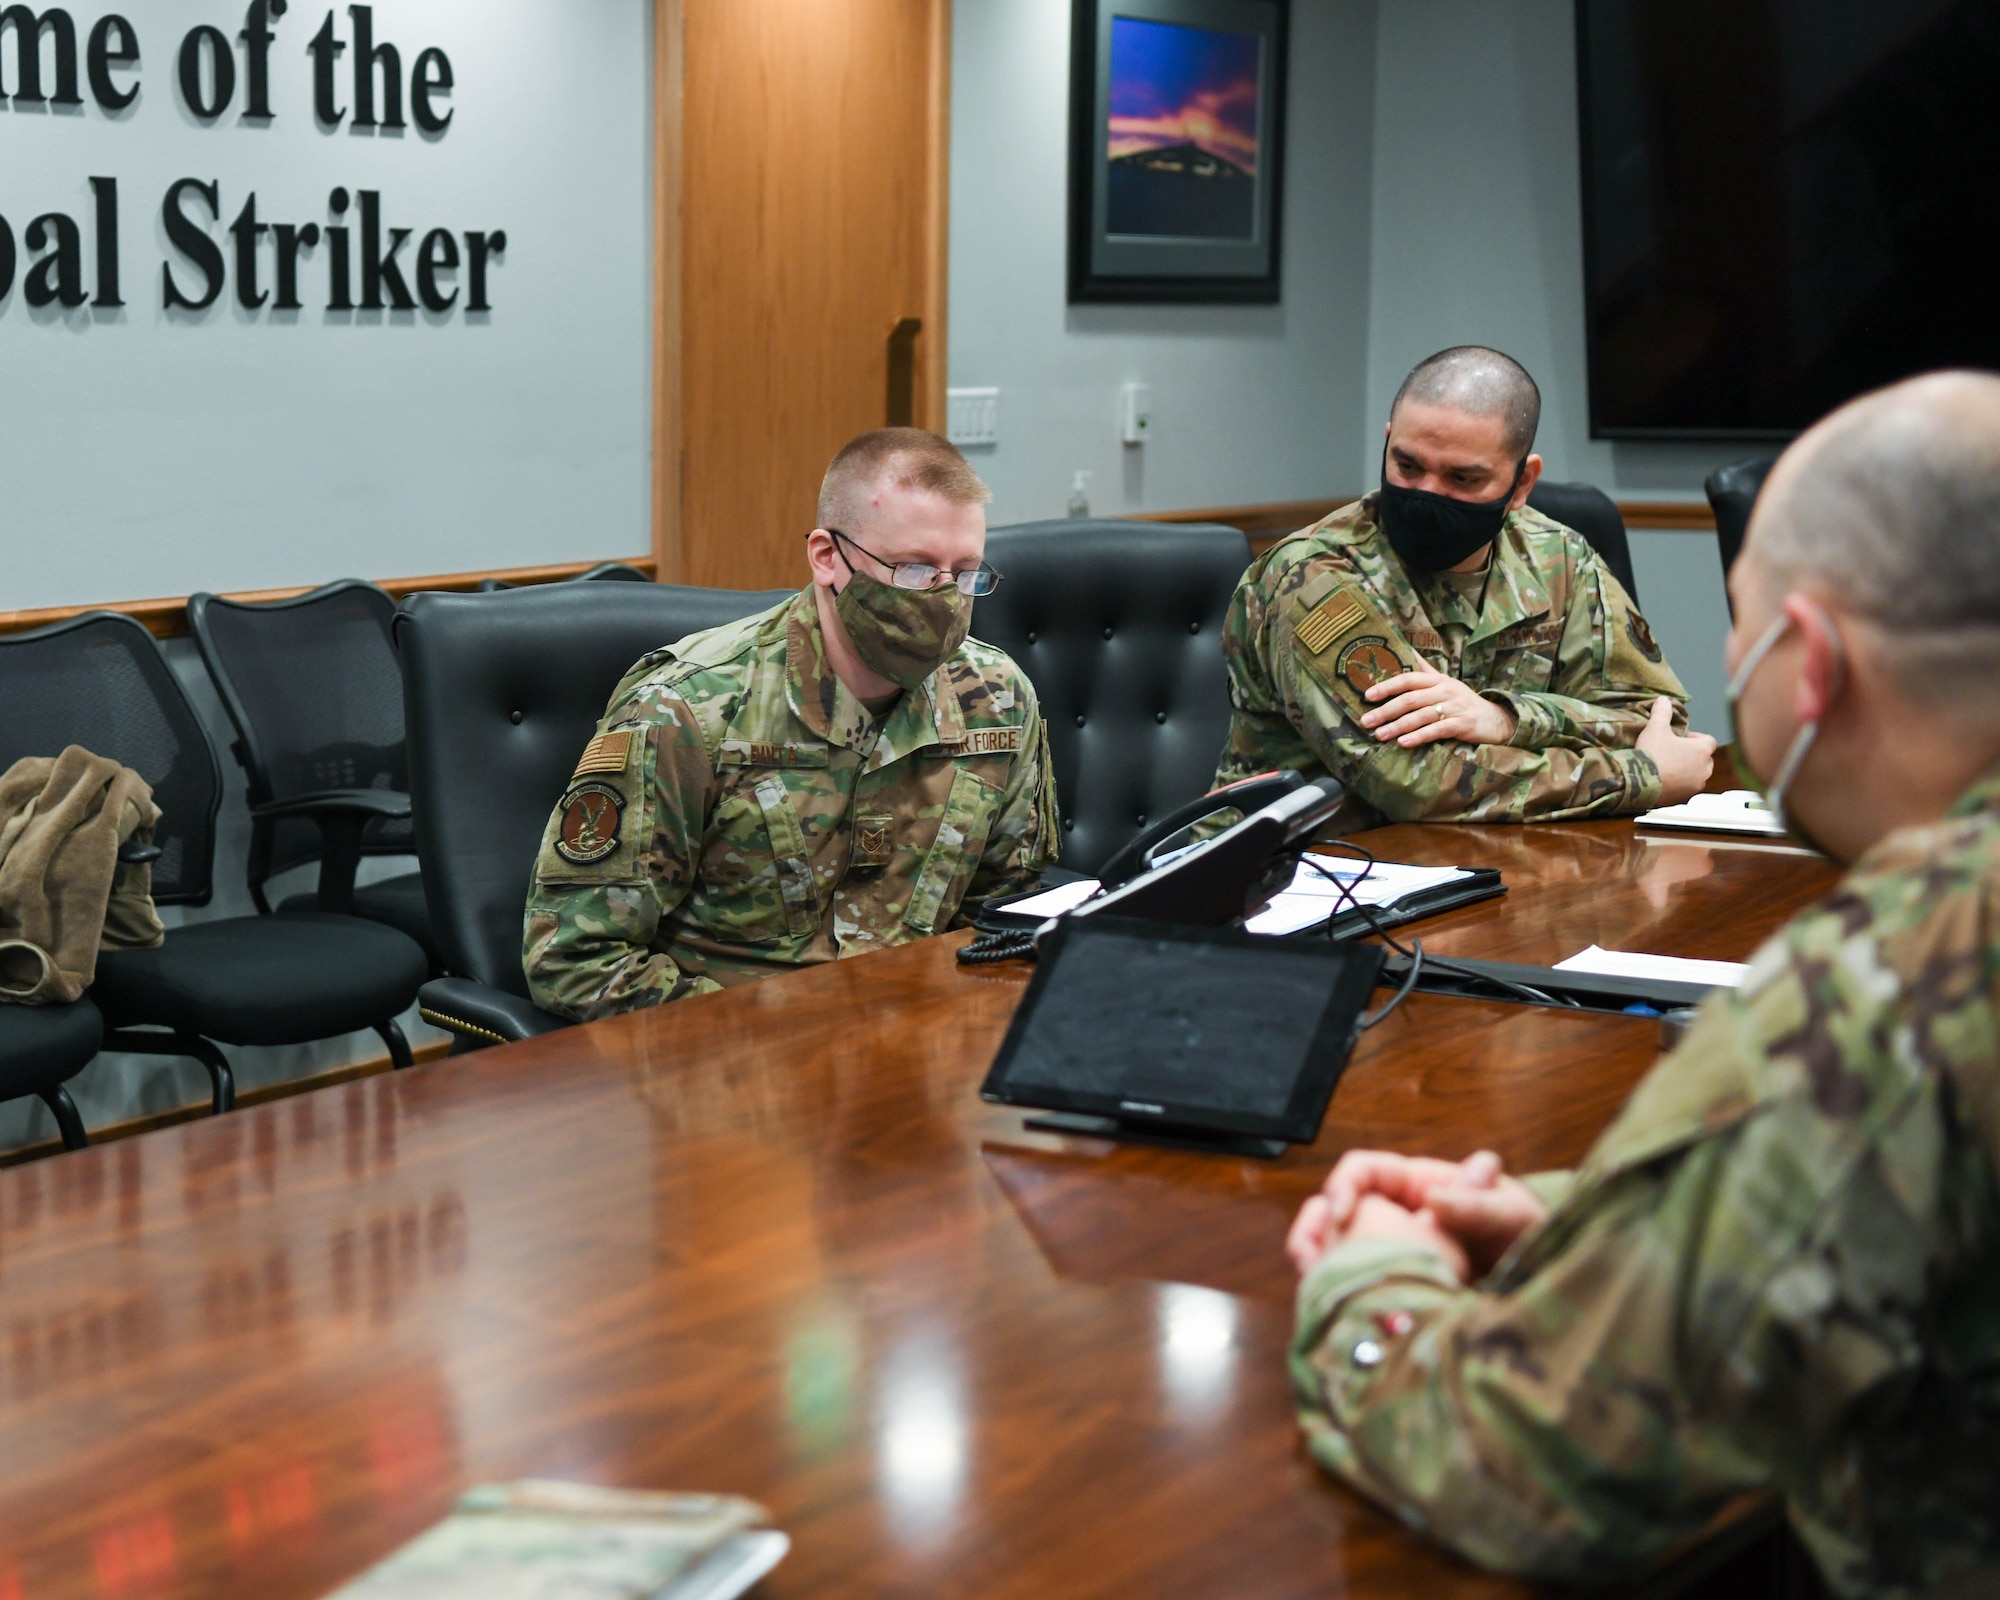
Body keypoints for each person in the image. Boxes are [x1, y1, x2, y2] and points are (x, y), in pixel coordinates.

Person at [1284, 372, 2000, 1598]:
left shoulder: (1899, 989)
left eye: (1741, 621)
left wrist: (1373, 1271)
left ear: (1808, 661)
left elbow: (1520, 1458)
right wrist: (1604, 1217)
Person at [523, 428, 1058, 1020]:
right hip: (736, 1063)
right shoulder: (691, 711)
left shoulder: (997, 699)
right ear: (828, 558)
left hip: (917, 1046)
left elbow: (998, 923)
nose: (945, 598)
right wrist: (780, 1046)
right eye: (913, 570)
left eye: (966, 574)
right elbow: (574, 961)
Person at [1212, 346, 1716, 831]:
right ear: (1388, 442)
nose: (1426, 494)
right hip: (1295, 885)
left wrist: (1505, 720)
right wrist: (1639, 777)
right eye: (1407, 465)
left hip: (1485, 870)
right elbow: (1415, 781)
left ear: (1521, 484)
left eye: (1462, 478)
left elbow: (1656, 721)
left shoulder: (1559, 559)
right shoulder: (1313, 577)